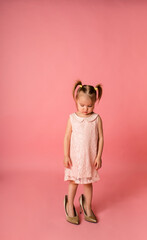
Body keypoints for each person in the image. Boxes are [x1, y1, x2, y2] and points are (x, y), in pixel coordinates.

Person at [63, 80, 104, 225]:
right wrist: (66, 155)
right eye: (82, 105)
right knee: (73, 182)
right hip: (75, 158)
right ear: (76, 100)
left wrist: (99, 156)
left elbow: (101, 138)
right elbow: (67, 137)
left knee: (88, 183)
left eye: (90, 106)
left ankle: (87, 205)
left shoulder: (96, 119)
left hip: (89, 158)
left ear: (95, 103)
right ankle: (69, 205)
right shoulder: (72, 118)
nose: (85, 109)